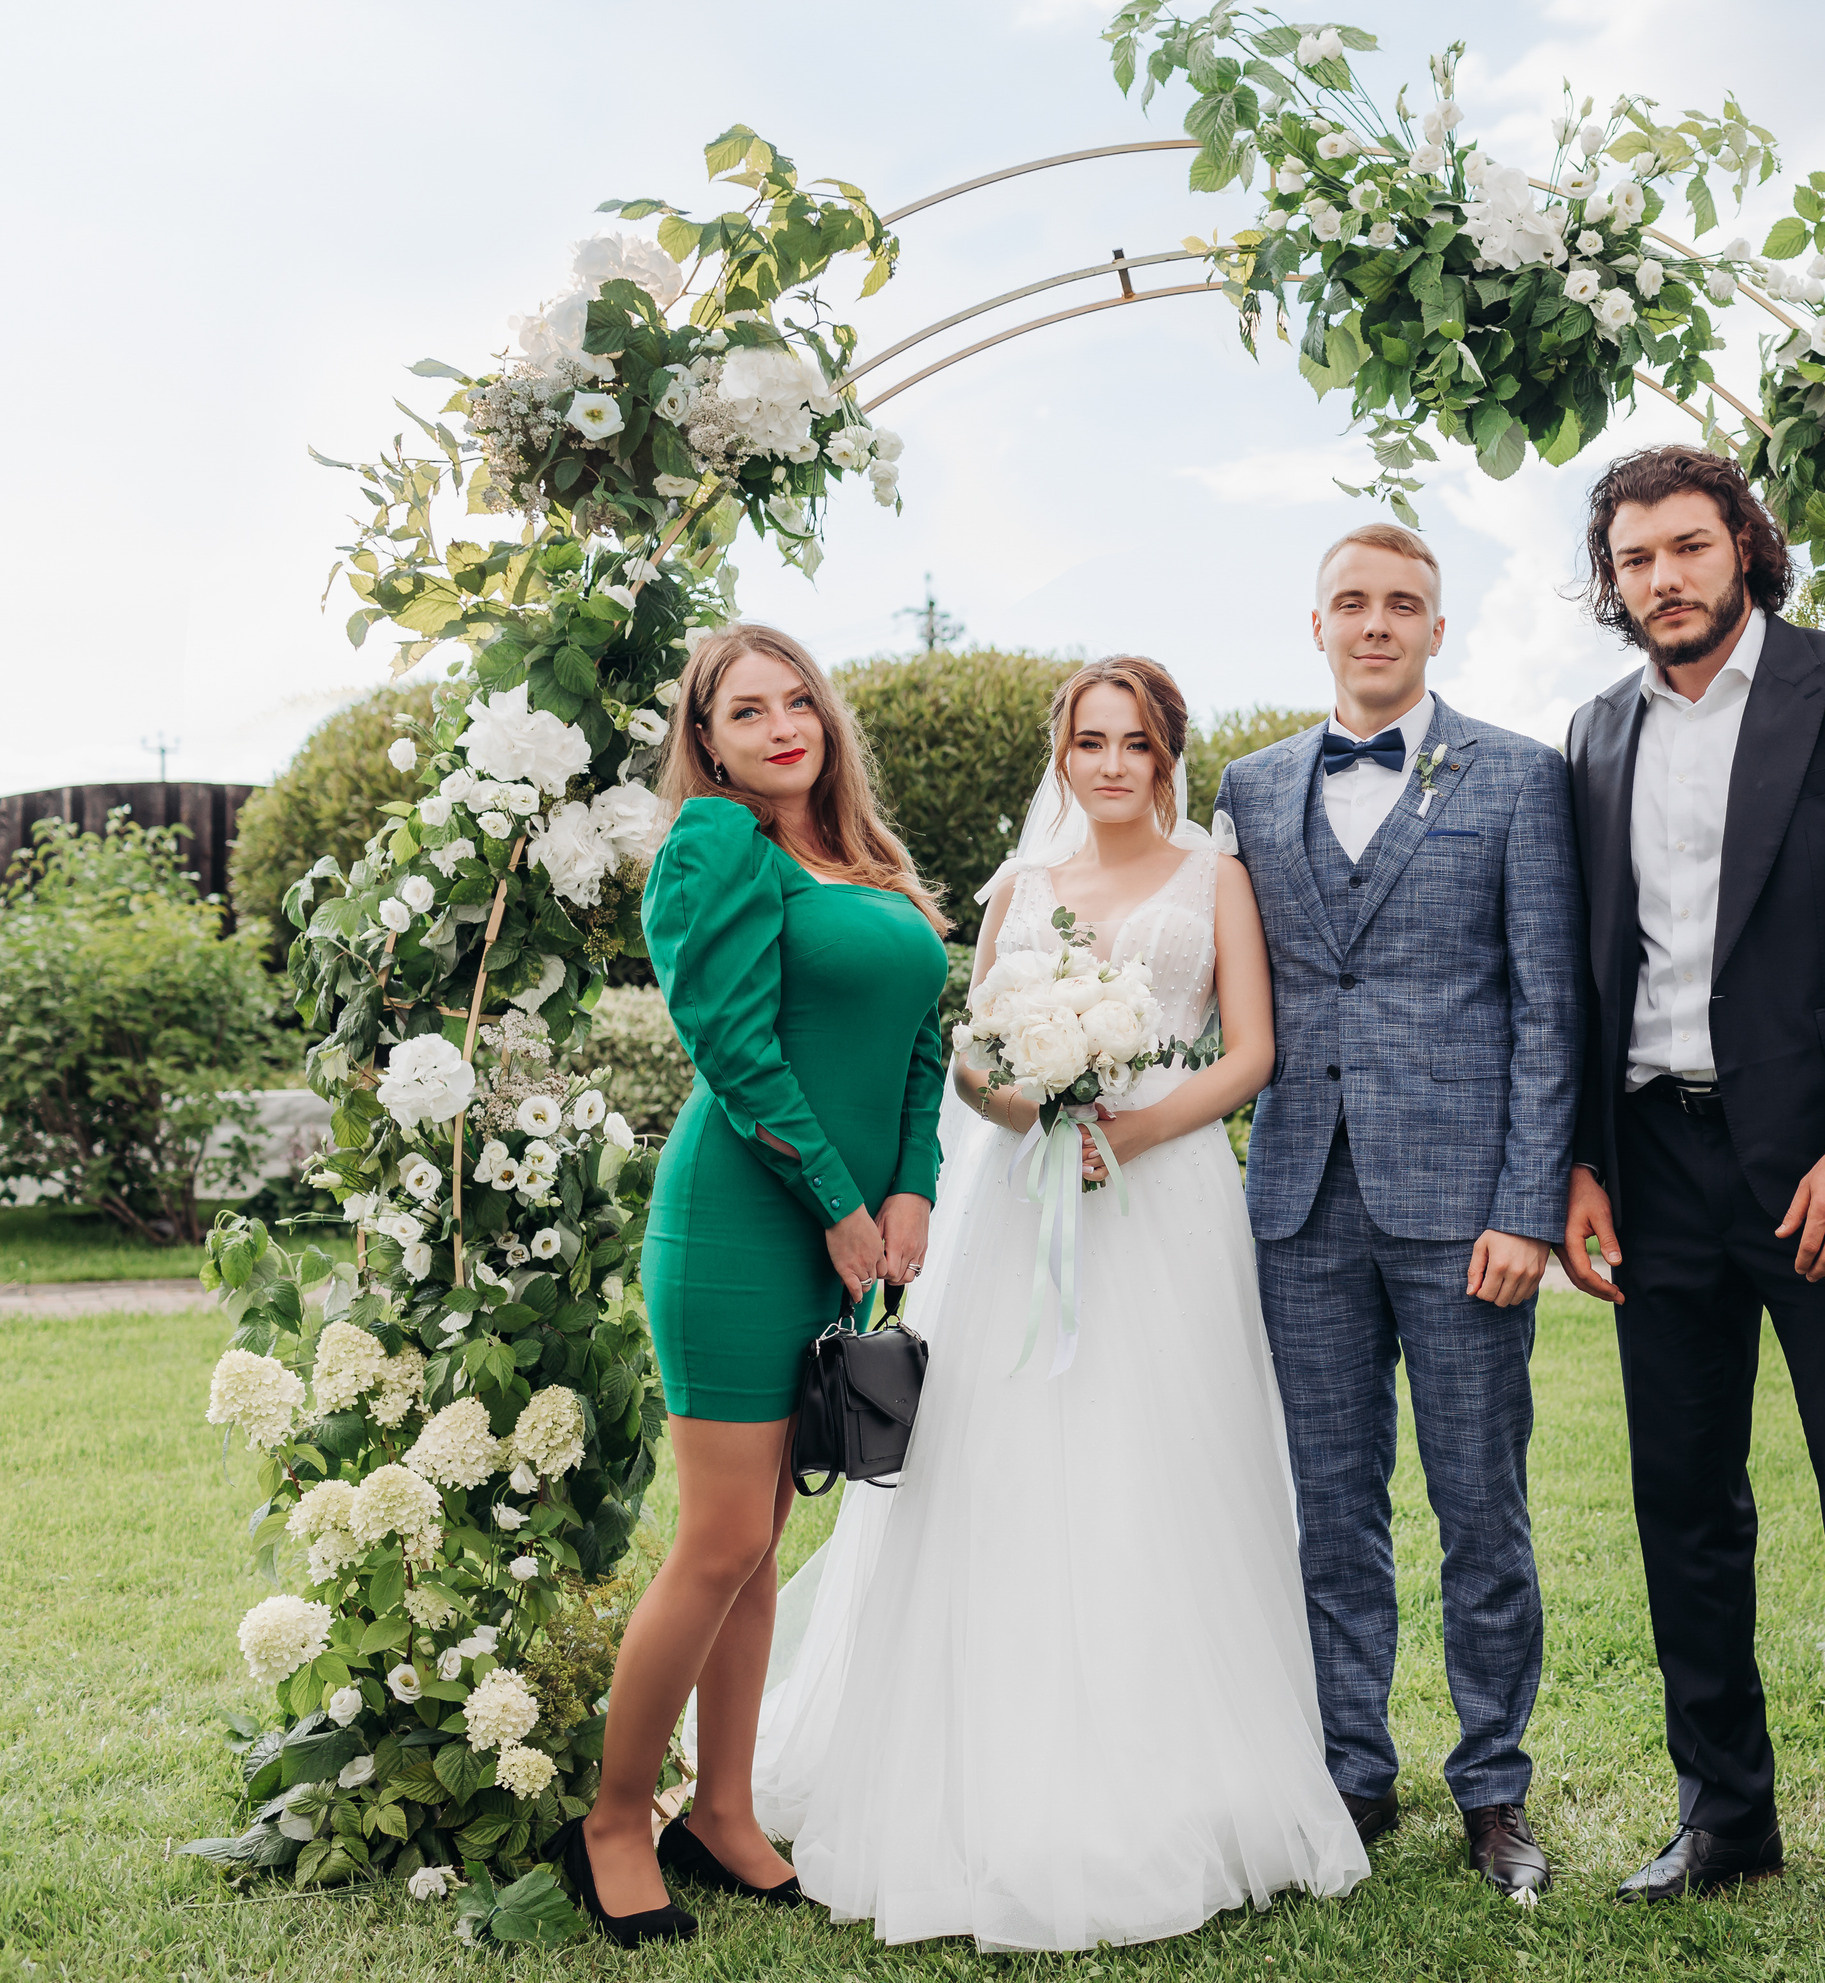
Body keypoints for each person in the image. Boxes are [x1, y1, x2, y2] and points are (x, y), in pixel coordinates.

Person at [751, 656, 1368, 1952]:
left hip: (1166, 1204)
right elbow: (972, 1052)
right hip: (1019, 1201)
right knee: (1002, 1469)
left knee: (1162, 1469)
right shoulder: (1020, 891)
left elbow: (1249, 1049)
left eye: (1133, 744)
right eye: (1088, 742)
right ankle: (989, 1767)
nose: (1108, 766)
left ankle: (1184, 1776)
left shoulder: (1218, 880)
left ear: (1166, 755)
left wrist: (1125, 1135)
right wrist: (1024, 1096)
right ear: (1062, 755)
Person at [1555, 445, 1825, 1979]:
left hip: (1820, 1173)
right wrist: (1585, 1163)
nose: (1662, 577)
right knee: (1684, 1509)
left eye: (1687, 545)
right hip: (1654, 1168)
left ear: (1744, 545)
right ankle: (1727, 1814)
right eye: (1635, 558)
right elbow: (1598, 977)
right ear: (1610, 582)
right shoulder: (1594, 736)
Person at [558, 625, 951, 1948]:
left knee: (765, 1538)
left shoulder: (866, 865)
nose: (784, 725)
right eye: (748, 710)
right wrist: (839, 1202)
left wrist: (912, 1184)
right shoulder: (716, 842)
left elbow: (919, 1043)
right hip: (741, 1220)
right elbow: (725, 1040)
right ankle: (616, 1820)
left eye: (800, 702)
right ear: (706, 738)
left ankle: (724, 1809)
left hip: (844, 1225)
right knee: (721, 1538)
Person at [1212, 523, 1585, 1897]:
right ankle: (1349, 1774)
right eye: (1352, 603)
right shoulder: (1248, 790)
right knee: (1333, 1506)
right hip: (1300, 1199)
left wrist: (1528, 1206)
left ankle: (1493, 1788)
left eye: (1405, 605)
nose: (1377, 624)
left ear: (1439, 628)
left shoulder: (1519, 780)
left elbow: (1553, 1008)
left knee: (1481, 1507)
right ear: (1314, 625)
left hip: (1464, 1211)